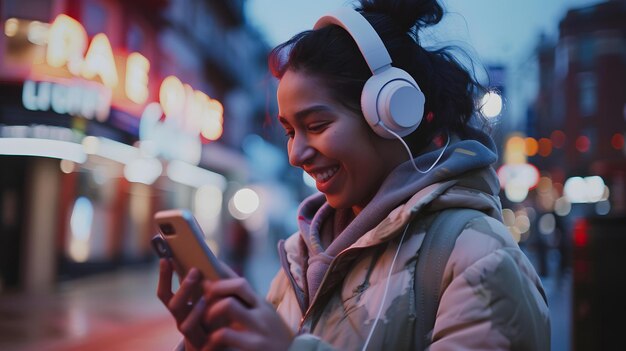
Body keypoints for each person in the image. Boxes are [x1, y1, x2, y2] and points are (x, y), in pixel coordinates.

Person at [157, 0, 551, 350]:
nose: (296, 154)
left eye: (317, 124)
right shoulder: (300, 259)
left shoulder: (478, 258)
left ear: (392, 113)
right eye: (290, 132)